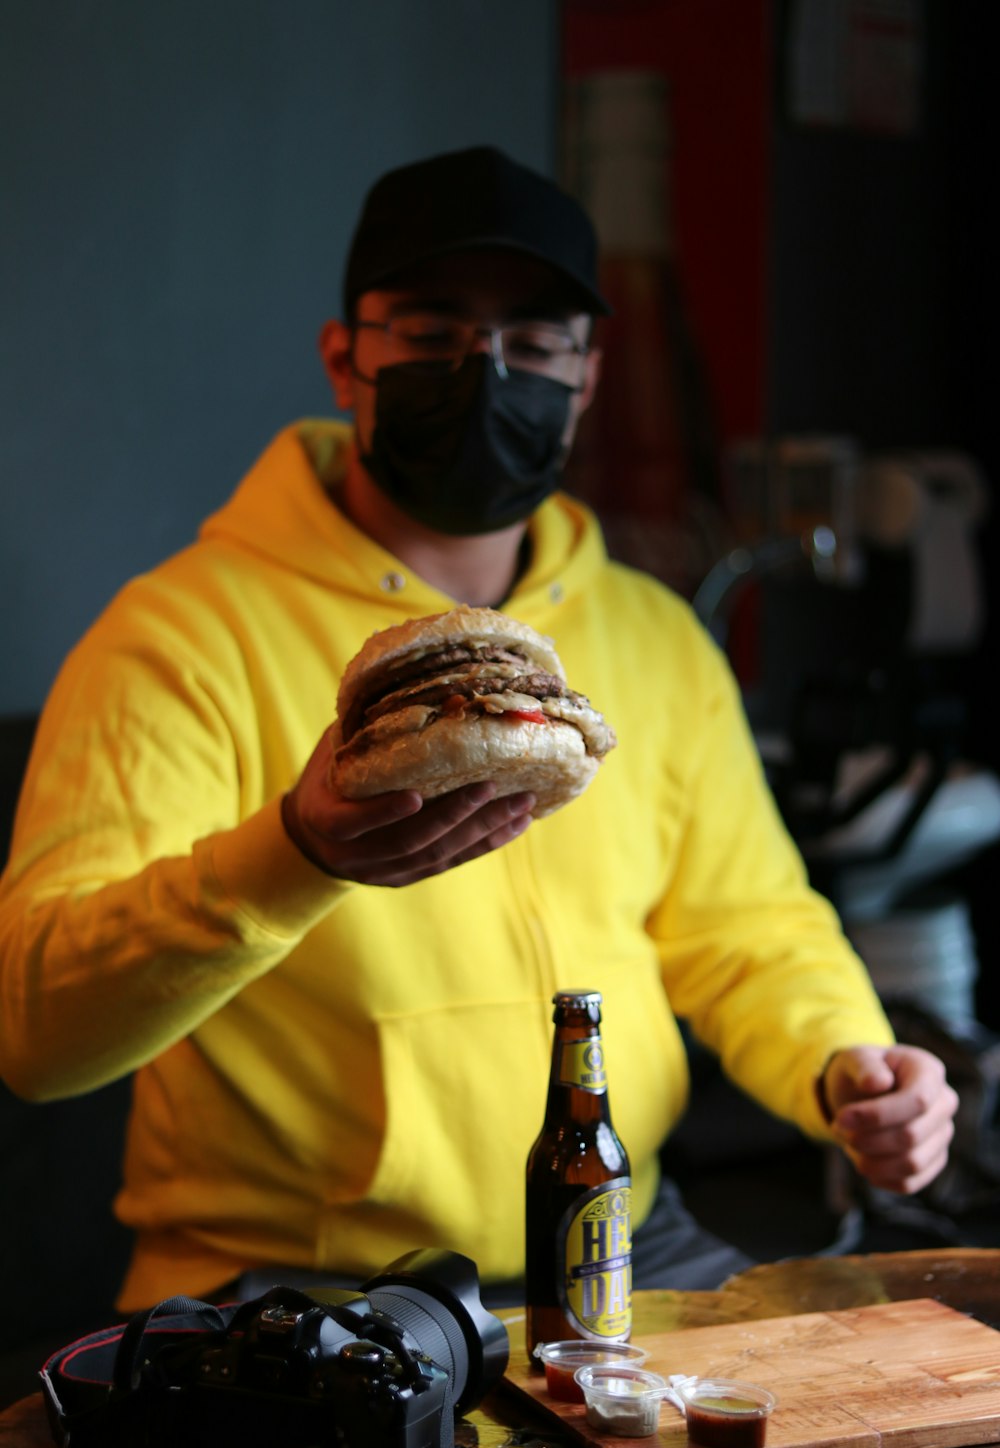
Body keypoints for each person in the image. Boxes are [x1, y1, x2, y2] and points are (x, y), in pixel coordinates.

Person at [0, 146, 957, 1311]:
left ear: (588, 374)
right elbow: (37, 1031)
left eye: (536, 339)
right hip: (299, 1285)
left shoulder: (656, 638)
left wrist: (847, 1059)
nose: (485, 370)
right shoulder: (177, 639)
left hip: (619, 1240)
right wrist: (294, 855)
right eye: (429, 327)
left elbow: (746, 923)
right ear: (344, 356)